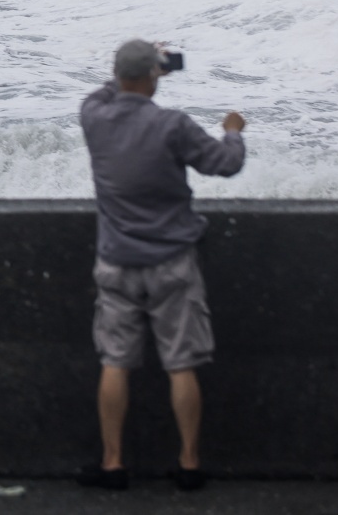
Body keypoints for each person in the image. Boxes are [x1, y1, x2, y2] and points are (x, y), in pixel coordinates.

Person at [76, 38, 245, 493]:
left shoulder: (93, 116)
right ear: (154, 76)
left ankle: (113, 464)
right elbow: (225, 164)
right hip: (172, 261)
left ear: (117, 74)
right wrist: (233, 130)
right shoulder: (172, 125)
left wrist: (141, 69)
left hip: (116, 261)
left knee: (115, 361)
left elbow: (108, 90)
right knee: (181, 363)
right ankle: (189, 463)